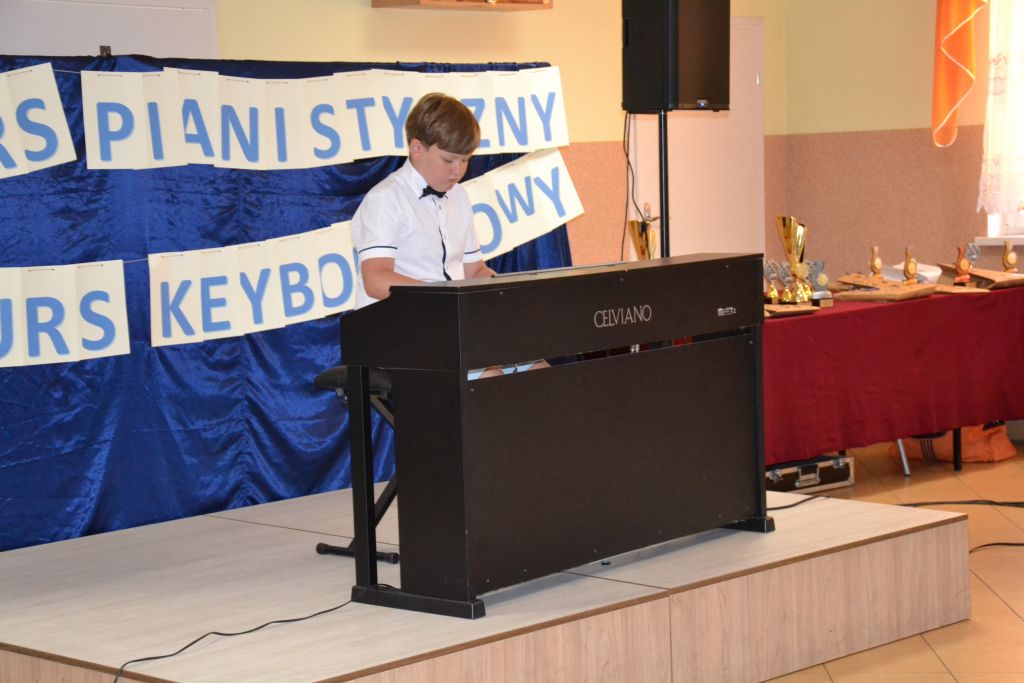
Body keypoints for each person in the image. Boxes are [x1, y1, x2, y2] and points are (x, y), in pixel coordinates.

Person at [351, 92, 495, 309]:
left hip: (444, 319)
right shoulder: (385, 199)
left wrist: (505, 292)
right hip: (396, 322)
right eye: (448, 160)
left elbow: (473, 271)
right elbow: (376, 279)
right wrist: (442, 298)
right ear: (417, 149)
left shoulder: (460, 196)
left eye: (465, 160)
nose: (458, 171)